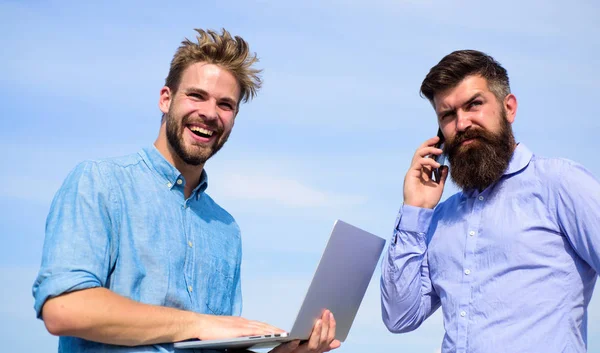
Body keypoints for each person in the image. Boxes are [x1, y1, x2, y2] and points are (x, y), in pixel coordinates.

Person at [32, 28, 341, 353]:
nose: (210, 113)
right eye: (197, 96)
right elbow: (64, 309)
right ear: (166, 99)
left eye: (225, 104)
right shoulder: (99, 183)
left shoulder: (225, 228)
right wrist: (198, 322)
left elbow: (215, 343)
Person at [380, 50, 600, 352]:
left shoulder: (560, 183)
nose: (462, 123)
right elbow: (399, 316)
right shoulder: (439, 219)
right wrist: (415, 209)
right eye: (448, 115)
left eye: (474, 105)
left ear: (508, 108)